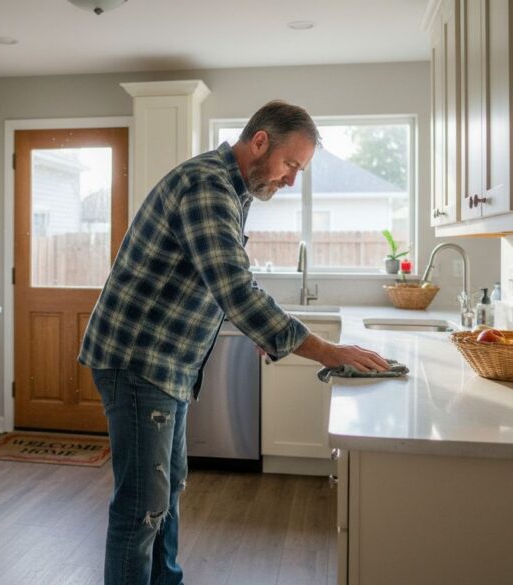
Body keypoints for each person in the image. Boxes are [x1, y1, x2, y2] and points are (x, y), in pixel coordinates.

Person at [78, 100, 390, 585]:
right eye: (291, 164)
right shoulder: (208, 187)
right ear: (260, 141)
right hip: (138, 358)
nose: (291, 180)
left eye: (299, 170)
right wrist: (329, 352)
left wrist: (259, 332)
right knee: (142, 506)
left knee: (167, 491)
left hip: (169, 362)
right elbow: (236, 289)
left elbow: (213, 279)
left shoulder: (234, 189)